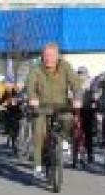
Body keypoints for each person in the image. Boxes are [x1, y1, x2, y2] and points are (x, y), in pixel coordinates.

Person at [26, 43, 82, 177]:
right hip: (41, 106)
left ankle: (62, 140)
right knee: (39, 132)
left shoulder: (65, 66)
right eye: (45, 56)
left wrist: (77, 98)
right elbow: (30, 84)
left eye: (51, 56)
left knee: (68, 119)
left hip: (61, 105)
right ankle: (38, 165)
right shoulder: (36, 69)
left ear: (57, 56)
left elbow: (76, 83)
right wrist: (32, 97)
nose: (48, 59)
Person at [76, 67, 97, 165]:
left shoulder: (91, 82)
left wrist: (94, 100)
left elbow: (95, 93)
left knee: (88, 132)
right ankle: (76, 152)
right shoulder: (74, 81)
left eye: (83, 73)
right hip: (76, 109)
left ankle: (90, 153)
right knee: (77, 131)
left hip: (87, 109)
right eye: (80, 73)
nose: (81, 76)